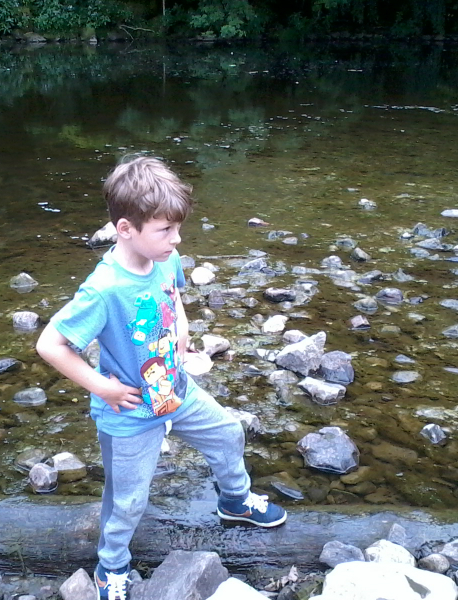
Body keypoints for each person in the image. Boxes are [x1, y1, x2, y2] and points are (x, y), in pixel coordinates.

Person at [36, 155, 287, 600]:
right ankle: (111, 566)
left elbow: (174, 295)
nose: (176, 238)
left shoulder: (165, 259)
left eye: (177, 227)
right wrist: (103, 387)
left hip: (177, 390)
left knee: (228, 432)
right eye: (165, 229)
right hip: (131, 412)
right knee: (128, 498)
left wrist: (183, 333)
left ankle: (234, 500)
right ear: (125, 229)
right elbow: (50, 344)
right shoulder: (104, 288)